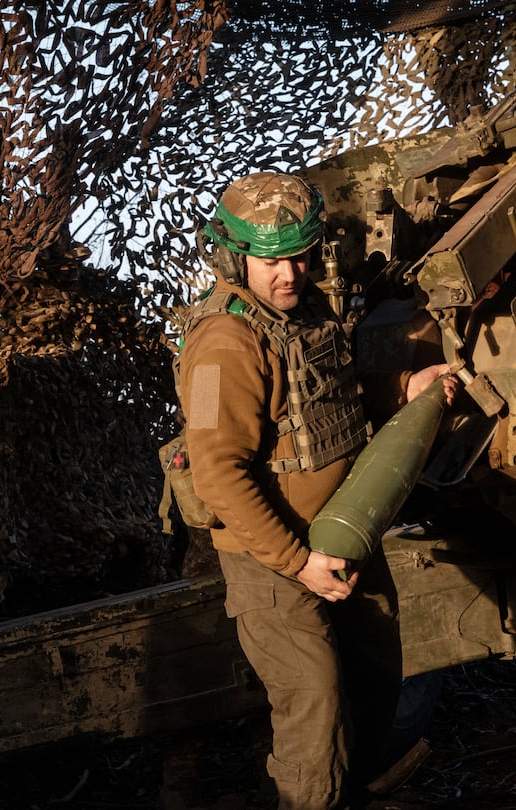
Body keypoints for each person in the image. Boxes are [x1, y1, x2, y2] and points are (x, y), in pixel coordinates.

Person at [175, 171, 453, 809]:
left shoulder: (310, 311)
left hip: (345, 533)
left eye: (299, 258)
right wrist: (301, 563)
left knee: (376, 682)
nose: (288, 275)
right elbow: (219, 473)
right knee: (317, 709)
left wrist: (402, 392)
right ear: (234, 256)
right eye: (270, 261)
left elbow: (339, 401)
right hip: (272, 562)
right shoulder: (224, 343)